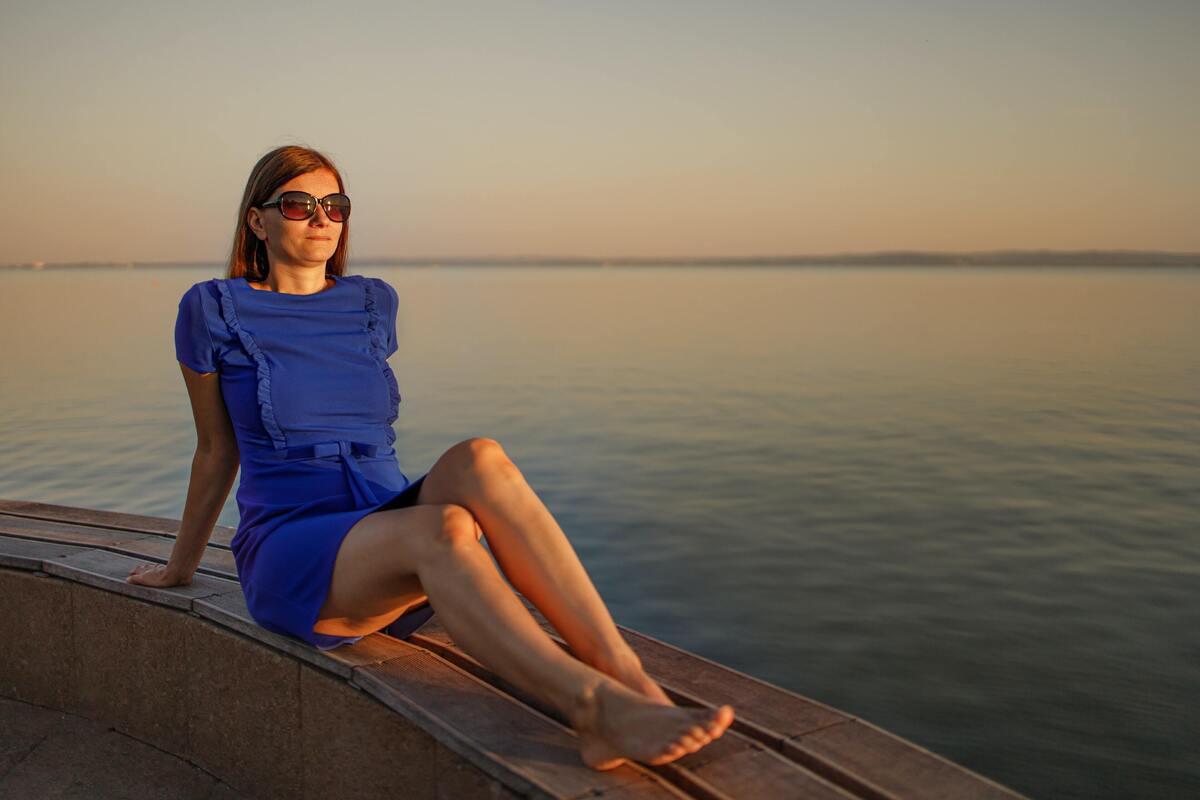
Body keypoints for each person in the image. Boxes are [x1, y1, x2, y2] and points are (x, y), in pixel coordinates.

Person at [125, 145, 733, 769]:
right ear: (258, 221)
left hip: (382, 520)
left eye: (334, 206)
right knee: (442, 526)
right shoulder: (213, 309)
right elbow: (214, 450)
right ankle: (593, 711)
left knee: (481, 457)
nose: (321, 219)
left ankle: (624, 673)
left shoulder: (371, 303)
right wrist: (181, 567)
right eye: (300, 204)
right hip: (295, 551)